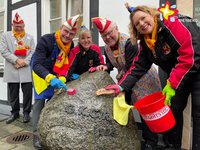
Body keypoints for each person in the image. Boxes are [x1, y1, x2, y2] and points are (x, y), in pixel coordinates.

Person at [104, 5, 200, 150]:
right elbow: (138, 67)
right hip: (178, 73)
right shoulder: (146, 42)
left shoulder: (171, 25)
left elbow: (190, 56)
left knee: (198, 112)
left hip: (196, 66)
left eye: (143, 18)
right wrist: (121, 86)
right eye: (137, 23)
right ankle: (174, 146)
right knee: (173, 108)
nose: (141, 24)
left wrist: (172, 83)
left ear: (152, 14)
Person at [92, 17, 162, 149]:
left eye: (109, 33)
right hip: (127, 79)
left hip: (143, 78)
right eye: (104, 35)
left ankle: (151, 142)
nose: (107, 37)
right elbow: (111, 63)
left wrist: (122, 87)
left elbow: (132, 67)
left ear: (116, 29)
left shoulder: (130, 42)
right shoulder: (108, 48)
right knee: (121, 104)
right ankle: (124, 135)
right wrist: (106, 66)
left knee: (146, 108)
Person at [31, 14, 80, 149]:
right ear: (60, 28)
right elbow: (37, 65)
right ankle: (36, 135)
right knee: (40, 102)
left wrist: (66, 77)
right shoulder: (46, 40)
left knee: (54, 100)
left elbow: (67, 64)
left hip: (56, 73)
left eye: (71, 34)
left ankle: (48, 128)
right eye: (65, 31)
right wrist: (49, 77)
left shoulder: (71, 45)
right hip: (40, 73)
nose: (67, 36)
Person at [0, 13, 35, 124]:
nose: (19, 29)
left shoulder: (30, 37)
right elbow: (4, 51)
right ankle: (14, 112)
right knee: (13, 93)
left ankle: (26, 113)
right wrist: (16, 60)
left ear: (24, 26)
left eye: (21, 26)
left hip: (25, 68)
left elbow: (33, 51)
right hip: (12, 68)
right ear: (13, 26)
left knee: (27, 93)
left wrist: (25, 61)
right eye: (17, 27)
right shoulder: (6, 36)